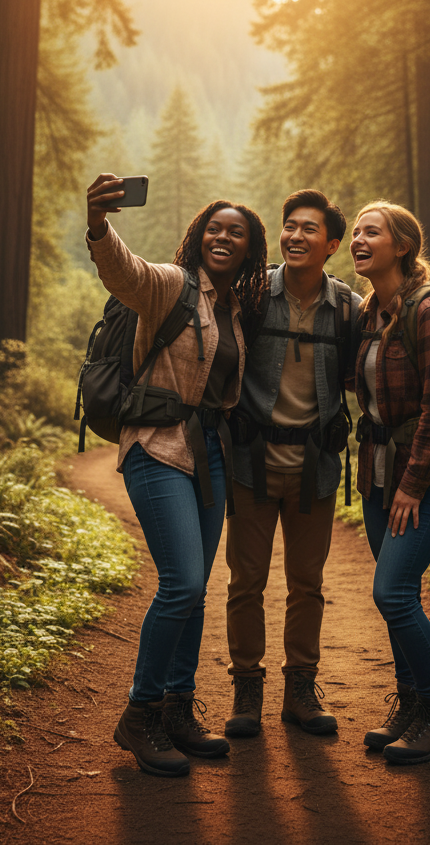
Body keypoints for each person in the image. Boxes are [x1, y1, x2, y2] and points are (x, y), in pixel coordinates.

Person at [85, 172, 268, 777]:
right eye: (215, 227)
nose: (223, 236)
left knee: (194, 596)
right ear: (198, 236)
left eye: (236, 232)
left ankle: (178, 710)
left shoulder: (236, 307)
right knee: (182, 584)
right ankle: (139, 716)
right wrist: (98, 225)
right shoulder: (170, 285)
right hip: (157, 446)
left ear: (249, 248)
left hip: (210, 455)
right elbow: (124, 270)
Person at [225, 189, 361, 737]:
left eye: (309, 230)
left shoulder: (349, 308)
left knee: (307, 583)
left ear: (332, 245)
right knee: (245, 582)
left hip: (314, 469)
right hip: (251, 464)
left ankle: (301, 689)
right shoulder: (252, 295)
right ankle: (246, 690)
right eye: (289, 226)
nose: (295, 236)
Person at [349, 200, 430, 764]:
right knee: (402, 594)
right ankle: (411, 704)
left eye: (371, 232)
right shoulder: (371, 311)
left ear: (402, 246)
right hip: (379, 475)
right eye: (354, 232)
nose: (358, 239)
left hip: (427, 475)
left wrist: (413, 484)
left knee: (391, 592)